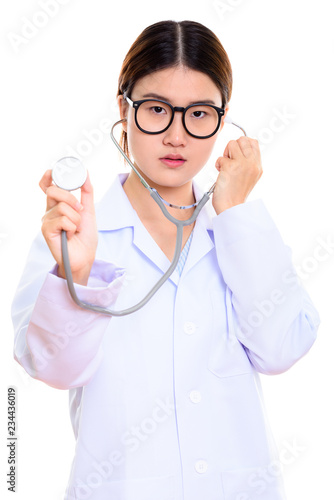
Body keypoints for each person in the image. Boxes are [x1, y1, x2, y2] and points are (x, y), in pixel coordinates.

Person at [12, 19, 320, 500]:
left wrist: (235, 212)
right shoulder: (74, 231)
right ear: (123, 109)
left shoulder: (241, 230)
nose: (177, 135)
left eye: (199, 114)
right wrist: (76, 276)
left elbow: (281, 350)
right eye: (157, 110)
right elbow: (52, 369)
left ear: (223, 118)